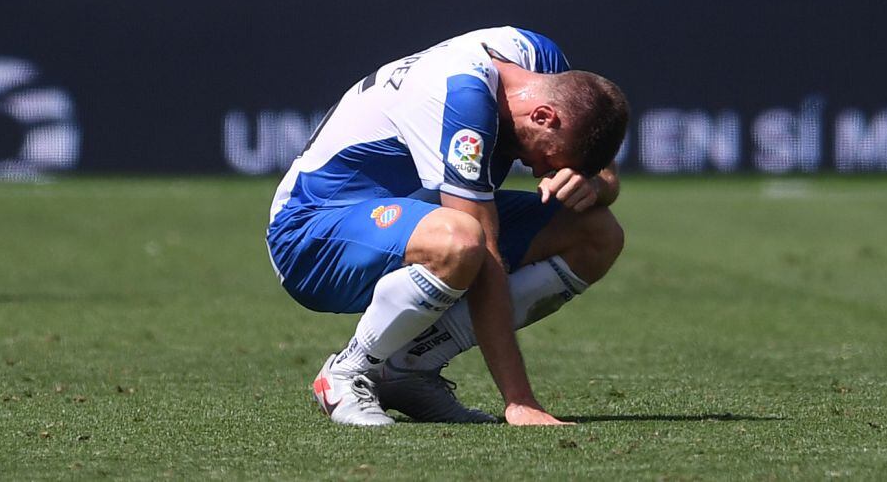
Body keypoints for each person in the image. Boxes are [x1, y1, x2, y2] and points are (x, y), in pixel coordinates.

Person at [265, 26, 629, 426]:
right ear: (544, 116)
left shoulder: (541, 63)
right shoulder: (461, 99)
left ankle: (409, 369)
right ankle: (347, 372)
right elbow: (484, 254)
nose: (539, 170)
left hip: (415, 212)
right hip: (310, 232)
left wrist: (593, 182)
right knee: (461, 240)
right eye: (548, 156)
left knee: (596, 233)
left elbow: (602, 167)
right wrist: (519, 401)